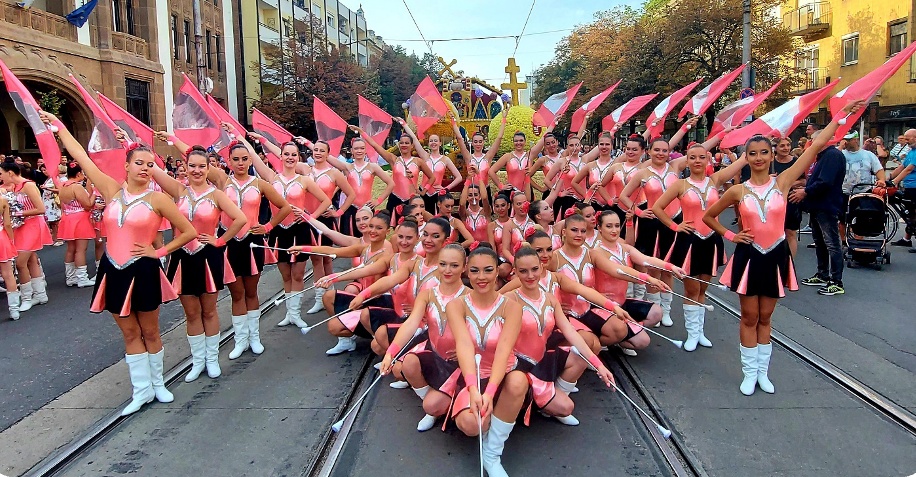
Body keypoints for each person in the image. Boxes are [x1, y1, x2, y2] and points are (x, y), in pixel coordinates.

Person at [703, 100, 863, 396]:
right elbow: (708, 216)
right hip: (749, 258)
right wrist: (731, 235)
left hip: (776, 255)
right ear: (746, 157)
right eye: (753, 153)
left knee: (766, 317)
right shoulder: (738, 190)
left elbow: (816, 147)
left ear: (772, 155)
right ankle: (748, 374)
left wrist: (841, 117)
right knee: (749, 316)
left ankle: (763, 373)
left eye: (765, 152)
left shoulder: (783, 181)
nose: (760, 157)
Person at [47, 112, 197, 415]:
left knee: (151, 332)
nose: (145, 168)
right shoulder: (111, 190)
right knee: (129, 333)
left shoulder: (159, 200)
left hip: (143, 270)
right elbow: (81, 155)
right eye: (139, 163)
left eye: (150, 164)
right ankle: (140, 392)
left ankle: (158, 384)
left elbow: (190, 231)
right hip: (113, 271)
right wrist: (59, 127)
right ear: (126, 165)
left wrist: (159, 252)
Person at [151, 146, 247, 382]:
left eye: (201, 166)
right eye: (192, 166)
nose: (196, 170)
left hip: (208, 256)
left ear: (208, 168)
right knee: (191, 314)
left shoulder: (217, 194)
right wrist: (127, 141)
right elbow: (150, 166)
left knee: (209, 310)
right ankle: (198, 361)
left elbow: (241, 219)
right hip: (182, 258)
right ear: (185, 166)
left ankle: (212, 360)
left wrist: (220, 240)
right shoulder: (178, 190)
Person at [652, 145, 746, 350]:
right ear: (687, 161)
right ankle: (692, 334)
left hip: (711, 240)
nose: (697, 161)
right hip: (689, 241)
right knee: (691, 288)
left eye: (701, 157)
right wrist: (675, 226)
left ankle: (699, 331)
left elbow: (742, 160)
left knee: (703, 287)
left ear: (707, 160)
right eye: (692, 157)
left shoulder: (715, 180)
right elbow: (657, 208)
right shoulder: (680, 185)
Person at [446, 246, 523, 477]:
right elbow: (464, 346)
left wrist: (488, 392)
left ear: (497, 272)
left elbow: (504, 351)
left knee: (519, 382)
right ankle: (491, 421)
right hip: (471, 373)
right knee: (472, 425)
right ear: (467, 272)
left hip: (503, 373)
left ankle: (491, 454)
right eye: (475, 271)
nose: (481, 277)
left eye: (488, 270)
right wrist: (473, 388)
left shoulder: (512, 307)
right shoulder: (455, 305)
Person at [241, 132, 332, 328]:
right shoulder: (271, 177)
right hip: (279, 231)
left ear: (298, 158)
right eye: (286, 154)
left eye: (294, 155)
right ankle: (289, 314)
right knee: (285, 275)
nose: (290, 158)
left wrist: (310, 216)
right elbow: (253, 156)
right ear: (280, 156)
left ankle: (295, 313)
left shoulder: (305, 180)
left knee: (298, 274)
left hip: (299, 230)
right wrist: (240, 137)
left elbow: (326, 201)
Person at [220, 143, 291, 359]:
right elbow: (193, 157)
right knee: (236, 293)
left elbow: (285, 207)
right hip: (230, 242)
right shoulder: (222, 182)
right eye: (236, 159)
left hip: (252, 241)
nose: (240, 163)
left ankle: (254, 337)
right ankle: (240, 340)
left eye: (244, 159)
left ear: (251, 160)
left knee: (251, 292)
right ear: (229, 161)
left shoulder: (260, 184)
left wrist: (268, 226)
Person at [792, 130, 848, 296]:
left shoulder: (832, 156)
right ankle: (823, 274)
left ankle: (836, 281)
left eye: (813, 140)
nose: (810, 143)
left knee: (832, 242)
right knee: (820, 241)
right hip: (818, 205)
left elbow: (825, 182)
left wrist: (806, 191)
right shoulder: (823, 156)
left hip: (826, 205)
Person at [1, 159, 52, 312]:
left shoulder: (28, 185)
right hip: (23, 226)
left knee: (20, 262)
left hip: (32, 225)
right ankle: (40, 295)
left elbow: (41, 208)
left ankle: (28, 297)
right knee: (31, 260)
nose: (1, 177)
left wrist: (17, 213)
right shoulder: (15, 187)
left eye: (1, 174)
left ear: (10, 173)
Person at [339, 132, 394, 236]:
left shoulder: (373, 167)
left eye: (362, 148)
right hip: (350, 207)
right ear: (352, 151)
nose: (359, 151)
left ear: (365, 150)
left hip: (367, 207)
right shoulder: (347, 167)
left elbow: (391, 183)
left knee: (369, 238)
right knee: (349, 240)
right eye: (356, 148)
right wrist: (309, 144)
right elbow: (327, 157)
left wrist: (378, 201)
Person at [840, 132, 885, 239]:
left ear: (855, 140)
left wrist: (882, 180)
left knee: (862, 218)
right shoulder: (840, 153)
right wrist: (840, 147)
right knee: (842, 219)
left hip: (863, 192)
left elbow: (878, 170)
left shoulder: (868, 155)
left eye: (848, 139)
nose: (845, 142)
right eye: (844, 139)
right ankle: (843, 242)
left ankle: (858, 243)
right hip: (843, 191)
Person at [58, 162, 96, 287]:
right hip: (79, 219)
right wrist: (94, 194)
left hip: (68, 218)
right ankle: (82, 278)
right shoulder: (77, 187)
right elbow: (88, 205)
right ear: (79, 174)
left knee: (70, 249)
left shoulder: (62, 186)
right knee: (81, 249)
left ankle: (71, 277)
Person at [771, 138, 806, 257]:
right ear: (775, 148)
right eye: (782, 146)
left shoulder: (795, 161)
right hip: (773, 201)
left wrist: (788, 183)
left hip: (791, 200)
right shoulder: (770, 162)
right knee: (774, 232)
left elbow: (804, 180)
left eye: (788, 145)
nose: (786, 148)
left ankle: (789, 265)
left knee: (790, 232)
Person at [888, 129, 916, 251]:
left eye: (907, 138)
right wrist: (887, 178)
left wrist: (894, 182)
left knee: (914, 213)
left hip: (915, 187)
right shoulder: (911, 152)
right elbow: (902, 167)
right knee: (910, 213)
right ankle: (906, 239)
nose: (905, 140)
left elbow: (908, 169)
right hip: (910, 187)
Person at [0, 194, 20, 319]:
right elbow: (7, 224)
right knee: (8, 274)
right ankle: (14, 310)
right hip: (1, 238)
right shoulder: (2, 200)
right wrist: (11, 240)